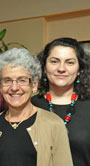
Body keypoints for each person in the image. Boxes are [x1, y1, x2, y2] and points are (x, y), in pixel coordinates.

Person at [0, 48, 73, 166]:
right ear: (0, 86)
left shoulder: (54, 124)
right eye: (7, 80)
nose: (14, 87)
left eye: (22, 80)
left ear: (34, 85)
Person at [31, 37, 90, 166]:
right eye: (54, 61)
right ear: (44, 67)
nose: (61, 68)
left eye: (69, 62)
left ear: (79, 69)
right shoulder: (30, 106)